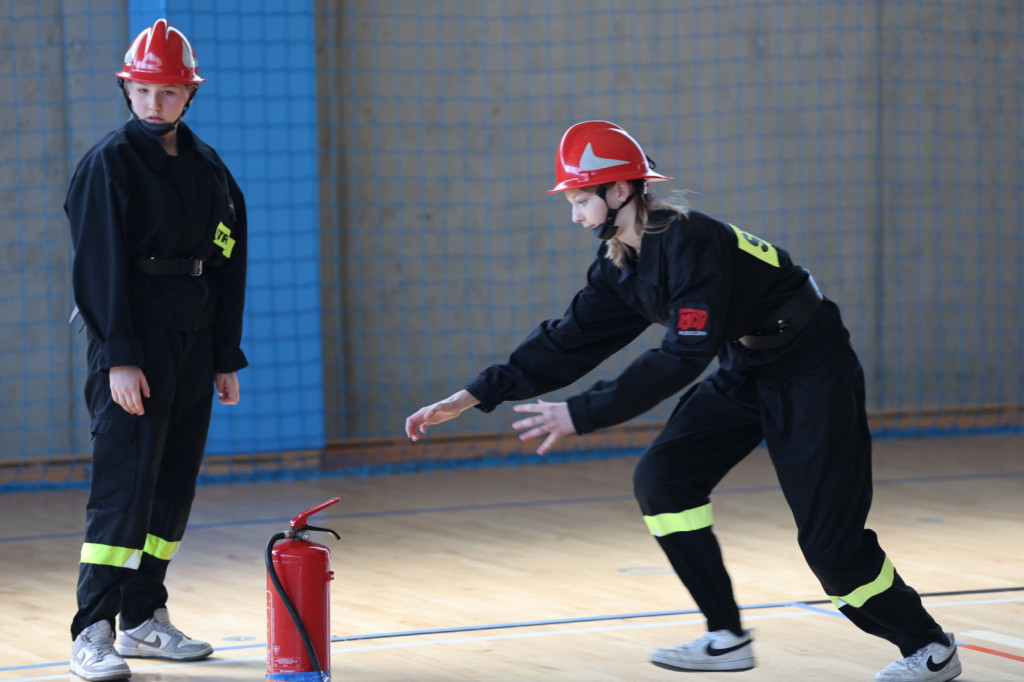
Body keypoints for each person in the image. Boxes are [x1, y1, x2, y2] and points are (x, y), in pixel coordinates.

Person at [404, 120, 961, 682]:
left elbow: (681, 357)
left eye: (579, 198)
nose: (573, 212)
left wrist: (582, 413)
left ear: (620, 191)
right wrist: (475, 394)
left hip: (813, 369)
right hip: (746, 366)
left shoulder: (689, 241)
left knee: (830, 547)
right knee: (663, 478)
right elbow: (567, 341)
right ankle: (727, 636)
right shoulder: (619, 264)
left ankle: (928, 646)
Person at [64, 18, 248, 681]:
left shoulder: (208, 169)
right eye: (142, 91)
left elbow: (229, 256)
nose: (153, 104)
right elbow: (97, 270)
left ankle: (144, 617)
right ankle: (93, 629)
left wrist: (224, 353)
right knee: (125, 488)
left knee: (171, 489)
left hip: (193, 348)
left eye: (167, 92)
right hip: (132, 349)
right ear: (127, 90)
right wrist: (118, 356)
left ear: (188, 95)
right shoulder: (107, 166)